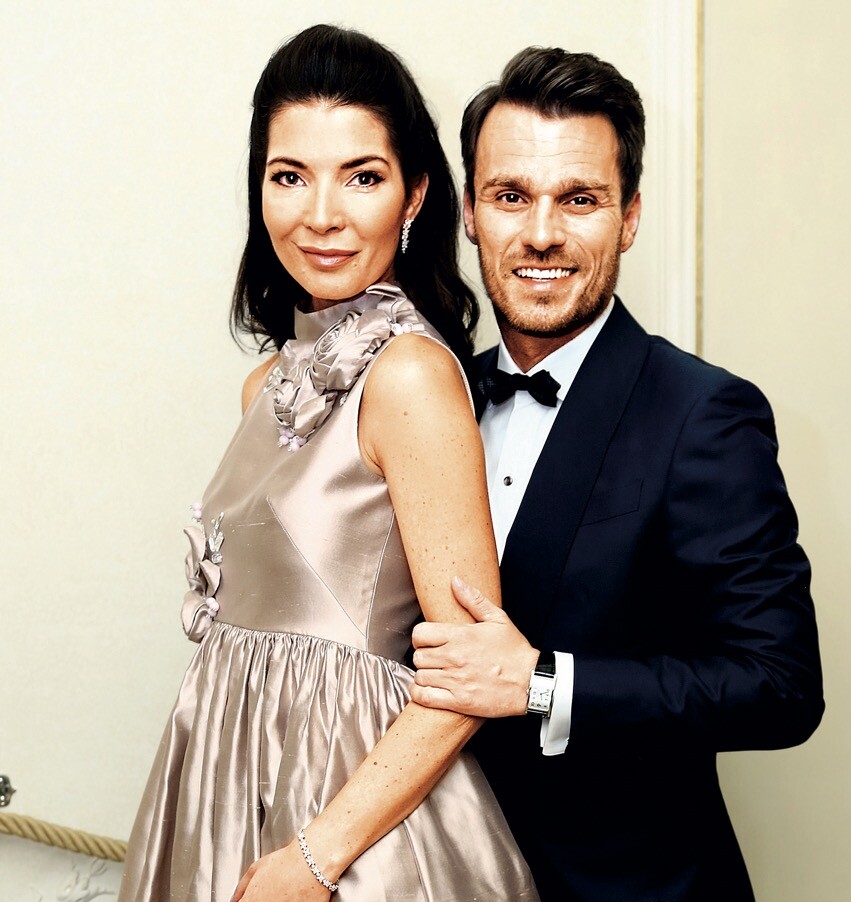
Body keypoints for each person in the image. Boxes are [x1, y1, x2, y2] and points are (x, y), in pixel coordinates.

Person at [118, 24, 539, 902]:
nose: (320, 215)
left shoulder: (410, 376)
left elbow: (467, 673)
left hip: (348, 827)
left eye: (362, 176)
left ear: (414, 194)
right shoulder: (264, 384)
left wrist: (313, 859)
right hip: (224, 785)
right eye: (289, 176)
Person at [409, 46, 824, 901]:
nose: (541, 233)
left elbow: (780, 687)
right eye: (510, 195)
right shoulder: (426, 400)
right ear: (470, 214)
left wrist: (542, 684)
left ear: (629, 217)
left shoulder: (705, 413)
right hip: (439, 874)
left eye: (579, 199)